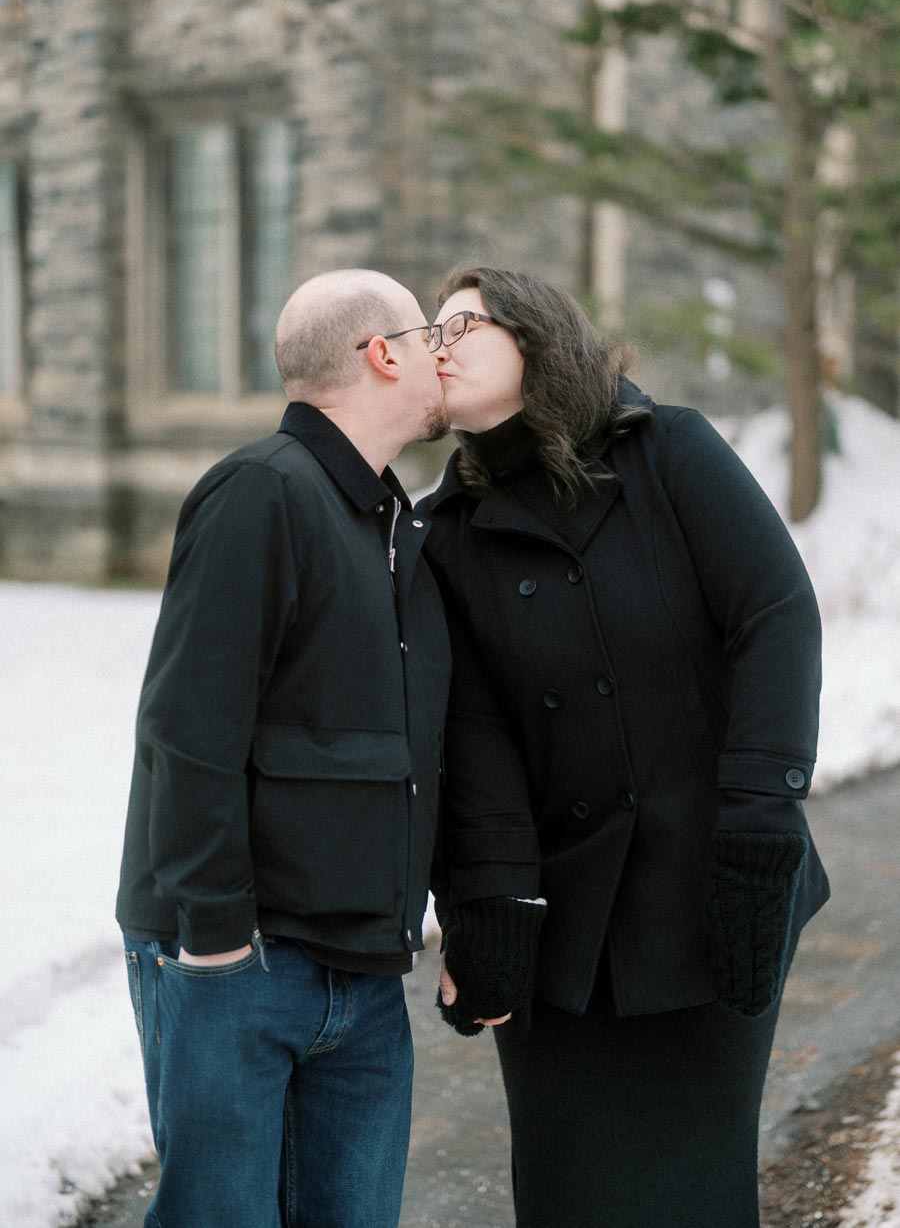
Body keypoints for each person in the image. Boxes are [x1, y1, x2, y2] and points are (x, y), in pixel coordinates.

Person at [416, 266, 830, 1228]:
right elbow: (476, 744)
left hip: (711, 894)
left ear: (538, 335)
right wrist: (489, 908)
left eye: (461, 324)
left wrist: (762, 818)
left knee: (695, 1191)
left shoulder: (667, 451)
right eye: (427, 331)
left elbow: (774, 615)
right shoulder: (450, 534)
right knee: (570, 1196)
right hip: (566, 933)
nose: (438, 345)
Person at [116, 268, 452, 1228]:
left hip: (362, 968)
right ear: (383, 354)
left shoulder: (389, 519)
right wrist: (217, 939)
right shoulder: (259, 492)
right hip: (242, 960)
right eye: (431, 335)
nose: (444, 352)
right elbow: (187, 726)